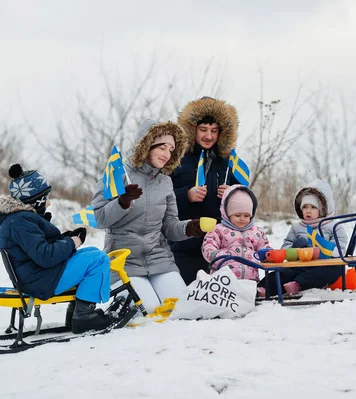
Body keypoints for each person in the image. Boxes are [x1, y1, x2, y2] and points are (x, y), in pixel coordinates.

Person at [91, 119, 205, 313]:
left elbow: (169, 226)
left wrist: (188, 228)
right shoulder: (117, 173)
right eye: (162, 147)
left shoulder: (165, 182)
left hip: (159, 258)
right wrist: (122, 202)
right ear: (146, 145)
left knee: (180, 308)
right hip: (124, 261)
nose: (167, 154)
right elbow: (100, 218)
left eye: (171, 149)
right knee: (146, 311)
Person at [0, 164, 118, 334]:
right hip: (40, 281)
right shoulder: (21, 222)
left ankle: (76, 312)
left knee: (91, 253)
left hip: (38, 275)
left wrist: (67, 238)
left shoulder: (18, 219)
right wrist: (71, 243)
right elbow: (45, 255)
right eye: (46, 198)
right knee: (98, 260)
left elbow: (39, 247)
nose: (49, 202)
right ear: (35, 200)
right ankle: (84, 317)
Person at [170, 96, 239, 284]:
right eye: (203, 130)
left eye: (214, 131)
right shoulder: (175, 160)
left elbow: (246, 205)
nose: (208, 136)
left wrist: (231, 194)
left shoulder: (228, 164)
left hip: (219, 244)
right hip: (182, 244)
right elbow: (160, 199)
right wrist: (187, 195)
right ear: (192, 130)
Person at [257, 180, 348, 297]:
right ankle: (263, 288)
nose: (308, 211)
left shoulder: (334, 226)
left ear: (323, 209)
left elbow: (340, 249)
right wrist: (295, 249)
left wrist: (321, 250)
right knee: (284, 272)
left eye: (313, 207)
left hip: (326, 265)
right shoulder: (297, 227)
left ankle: (298, 284)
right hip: (301, 264)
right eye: (305, 207)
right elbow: (286, 246)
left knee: (329, 271)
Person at [202, 185, 271, 281]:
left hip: (250, 280)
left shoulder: (256, 232)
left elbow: (263, 246)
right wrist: (217, 255)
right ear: (228, 213)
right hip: (224, 281)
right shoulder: (219, 230)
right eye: (238, 215)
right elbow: (208, 245)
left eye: (246, 215)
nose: (242, 219)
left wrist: (269, 253)